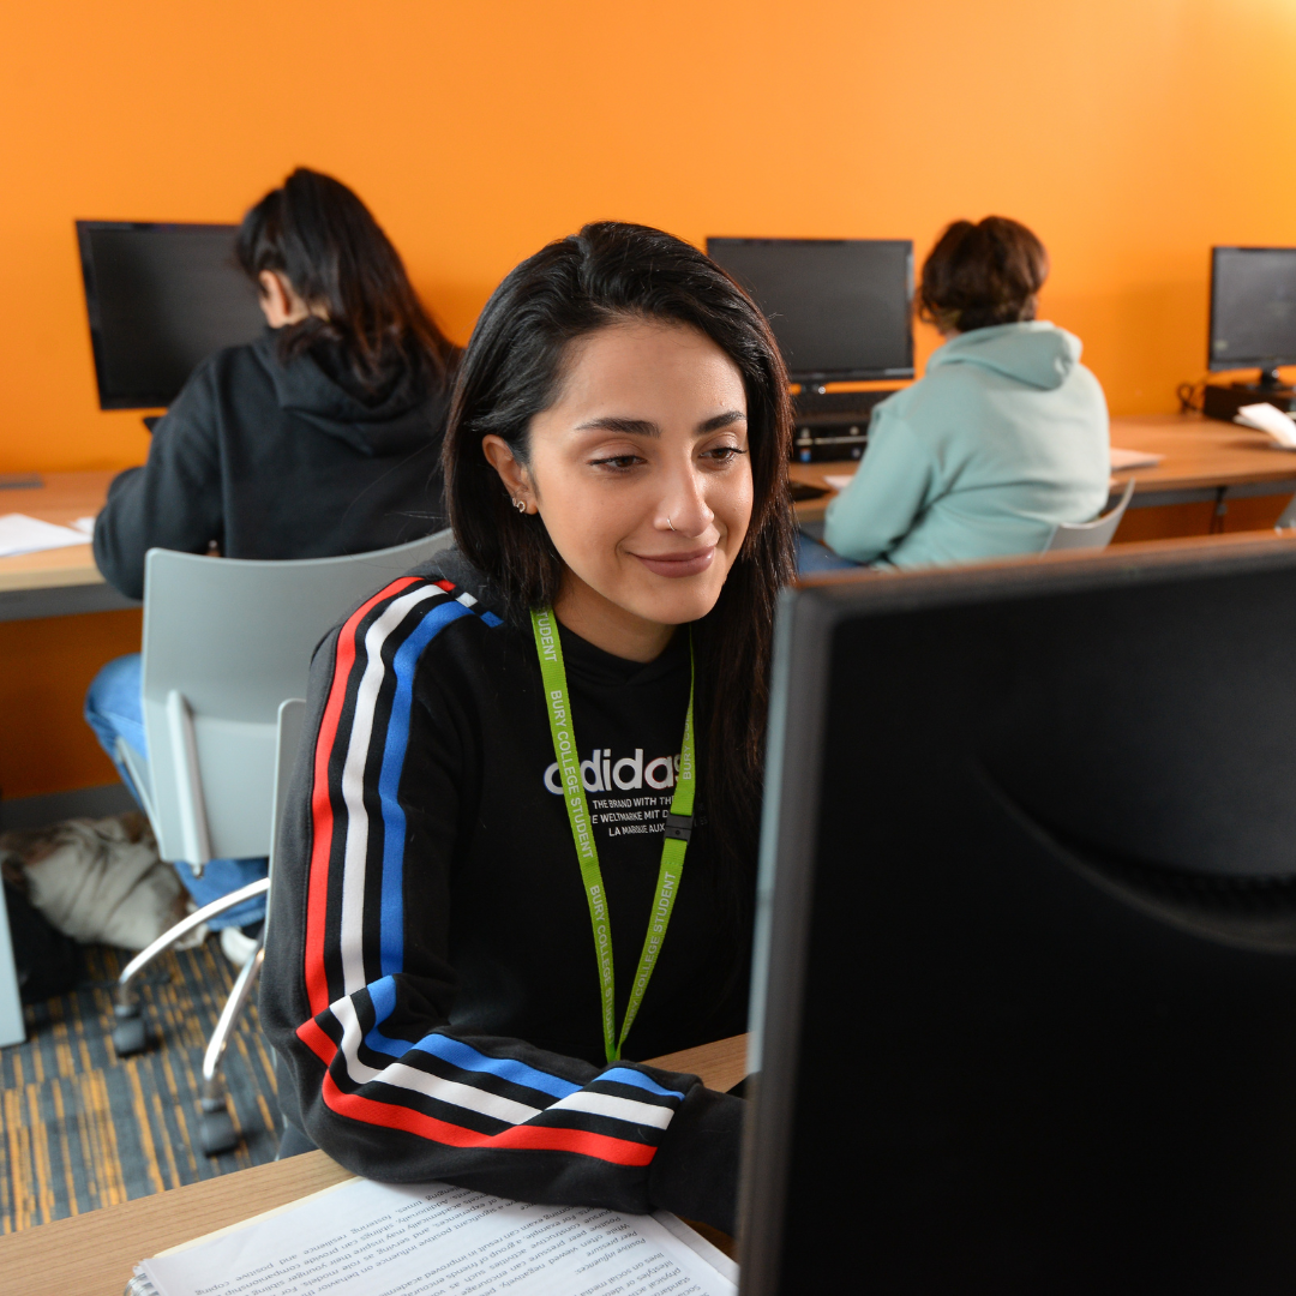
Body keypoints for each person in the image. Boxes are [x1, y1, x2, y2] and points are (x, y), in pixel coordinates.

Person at [259, 221, 796, 1236]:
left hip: (703, 1147)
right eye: (619, 458)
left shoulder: (783, 638)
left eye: (721, 449)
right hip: (464, 1172)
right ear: (512, 468)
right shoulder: (413, 653)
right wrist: (695, 1148)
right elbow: (354, 1053)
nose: (692, 511)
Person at [85, 168, 458, 954]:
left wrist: (136, 483)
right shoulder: (467, 379)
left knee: (113, 689)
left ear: (278, 292)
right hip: (434, 713)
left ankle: (250, 914)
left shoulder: (225, 389)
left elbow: (128, 560)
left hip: (283, 737)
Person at [822, 216, 1110, 568]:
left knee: (787, 547)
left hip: (931, 609)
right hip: (1044, 607)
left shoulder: (926, 407)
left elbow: (850, 538)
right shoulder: (1085, 385)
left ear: (935, 306)